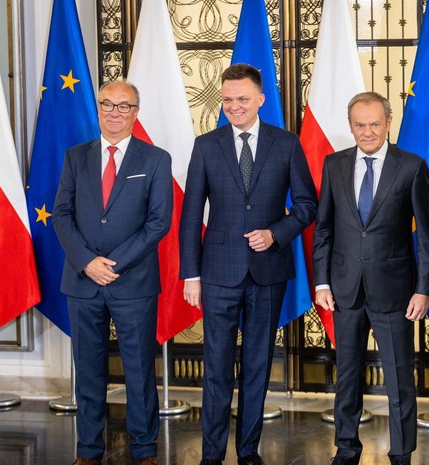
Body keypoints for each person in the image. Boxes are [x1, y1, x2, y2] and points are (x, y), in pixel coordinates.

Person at [179, 63, 317, 465]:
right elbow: (191, 215)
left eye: (242, 98)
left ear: (260, 99)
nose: (234, 106)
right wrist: (191, 274)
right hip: (217, 273)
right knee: (216, 368)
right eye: (227, 99)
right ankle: (210, 455)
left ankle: (248, 451)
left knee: (257, 366)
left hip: (268, 271)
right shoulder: (206, 145)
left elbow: (306, 205)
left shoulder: (286, 143)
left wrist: (276, 233)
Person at [313, 91, 429, 465]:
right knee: (347, 376)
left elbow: (426, 235)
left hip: (395, 290)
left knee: (400, 379)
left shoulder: (412, 166)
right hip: (345, 288)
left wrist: (423, 289)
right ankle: (346, 448)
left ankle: (401, 453)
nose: (367, 132)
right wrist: (322, 282)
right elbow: (324, 228)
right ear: (350, 126)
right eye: (359, 125)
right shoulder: (334, 165)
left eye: (374, 124)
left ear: (388, 123)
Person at [53, 80, 172, 465]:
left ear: (136, 111)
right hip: (83, 281)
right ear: (98, 107)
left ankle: (144, 450)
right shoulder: (76, 157)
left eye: (124, 106)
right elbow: (61, 215)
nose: (115, 112)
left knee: (139, 371)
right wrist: (87, 262)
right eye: (107, 104)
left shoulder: (155, 159)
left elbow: (158, 223)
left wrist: (114, 265)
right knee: (88, 372)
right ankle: (88, 451)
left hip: (133, 283)